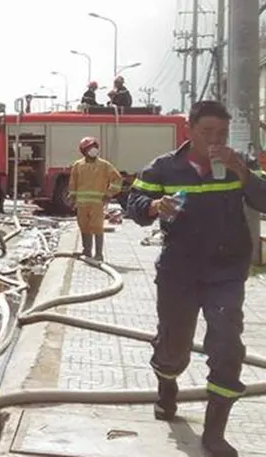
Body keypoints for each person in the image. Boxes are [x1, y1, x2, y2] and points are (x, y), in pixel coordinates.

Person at [126, 100, 266, 457]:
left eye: (221, 134)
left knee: (227, 346)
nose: (215, 140)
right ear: (189, 130)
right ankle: (167, 387)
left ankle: (214, 433)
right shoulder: (164, 167)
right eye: (207, 132)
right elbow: (133, 203)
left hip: (226, 272)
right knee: (174, 347)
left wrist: (241, 171)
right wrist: (154, 206)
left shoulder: (237, 165)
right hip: (179, 272)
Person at [68, 136, 122, 261]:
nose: (93, 150)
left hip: (97, 203)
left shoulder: (104, 165)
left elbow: (117, 179)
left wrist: (109, 193)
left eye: (94, 147)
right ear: (83, 151)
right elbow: (73, 182)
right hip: (82, 204)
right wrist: (72, 196)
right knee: (84, 226)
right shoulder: (78, 165)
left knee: (97, 227)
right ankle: (86, 251)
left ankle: (98, 254)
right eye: (89, 148)